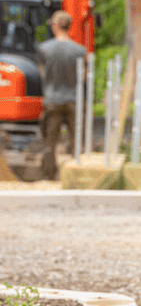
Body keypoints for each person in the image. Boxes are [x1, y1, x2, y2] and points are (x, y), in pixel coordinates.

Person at [36, 10, 86, 180]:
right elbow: (84, 76)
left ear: (56, 25)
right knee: (77, 140)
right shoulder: (79, 51)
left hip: (52, 100)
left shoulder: (44, 49)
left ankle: (49, 175)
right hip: (73, 100)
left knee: (50, 140)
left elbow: (42, 71)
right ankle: (77, 174)